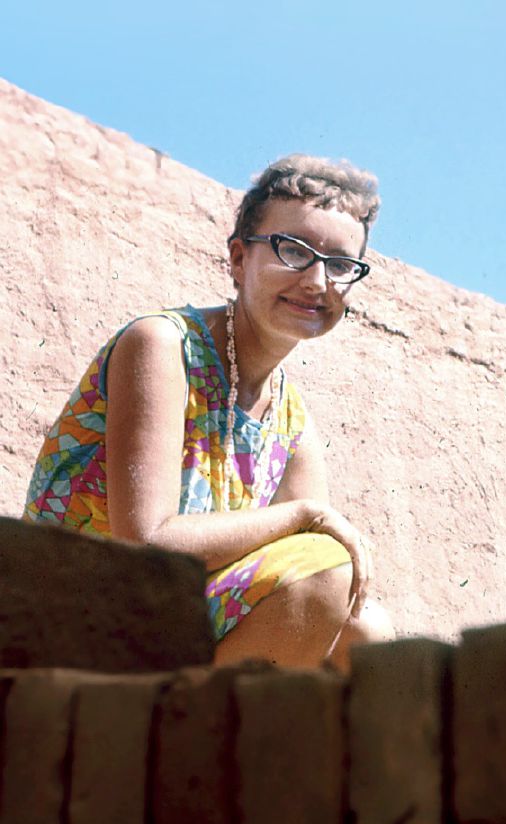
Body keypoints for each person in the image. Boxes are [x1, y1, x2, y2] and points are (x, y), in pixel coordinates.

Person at [23, 153, 394, 670]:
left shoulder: (291, 425)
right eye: (293, 250)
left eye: (339, 265)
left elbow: (317, 592)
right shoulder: (163, 346)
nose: (316, 281)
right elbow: (146, 543)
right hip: (64, 632)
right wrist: (302, 515)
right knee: (323, 569)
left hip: (165, 637)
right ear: (239, 259)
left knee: (366, 628)